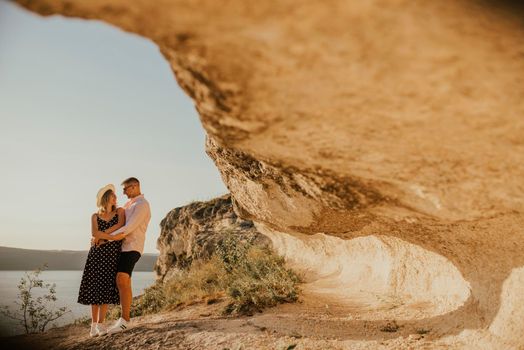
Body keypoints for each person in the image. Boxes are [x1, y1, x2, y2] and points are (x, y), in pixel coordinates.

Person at [92, 177, 151, 334]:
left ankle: (125, 320)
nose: (123, 192)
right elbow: (116, 223)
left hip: (132, 247)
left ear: (135, 186)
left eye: (125, 189)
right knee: (124, 282)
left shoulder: (142, 205)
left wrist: (103, 238)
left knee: (122, 279)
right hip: (120, 247)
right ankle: (124, 319)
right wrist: (98, 235)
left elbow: (128, 228)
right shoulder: (127, 205)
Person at [77, 184, 126, 337]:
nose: (116, 197)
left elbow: (120, 225)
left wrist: (103, 236)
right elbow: (94, 232)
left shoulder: (120, 211)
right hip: (97, 255)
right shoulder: (95, 216)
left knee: (106, 289)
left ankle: (101, 323)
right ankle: (93, 326)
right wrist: (108, 237)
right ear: (106, 198)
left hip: (111, 255)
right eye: (113, 195)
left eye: (116, 195)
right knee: (94, 289)